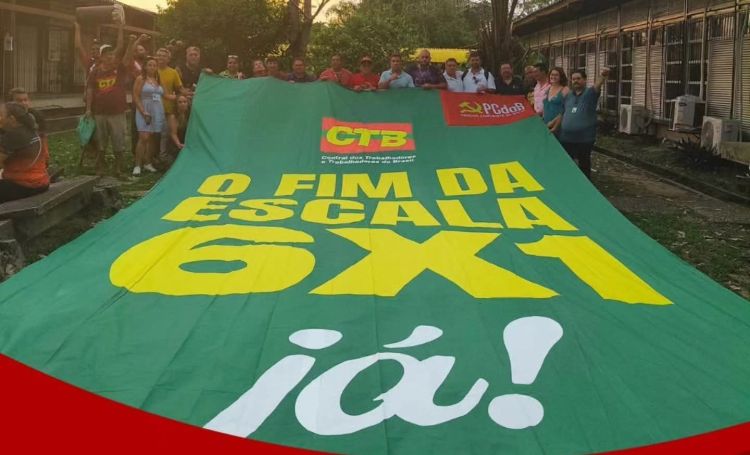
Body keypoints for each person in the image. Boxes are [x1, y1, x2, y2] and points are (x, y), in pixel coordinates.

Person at [85, 31, 139, 177]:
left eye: (111, 54)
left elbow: (127, 58)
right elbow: (90, 90)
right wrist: (88, 109)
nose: (110, 56)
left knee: (118, 140)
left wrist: (130, 43)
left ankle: (118, 168)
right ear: (101, 57)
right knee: (101, 141)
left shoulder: (119, 69)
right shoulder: (95, 72)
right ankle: (100, 167)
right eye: (106, 54)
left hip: (117, 112)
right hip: (99, 112)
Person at [559, 68, 610, 179]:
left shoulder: (590, 94)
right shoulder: (568, 96)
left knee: (584, 164)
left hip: (584, 138)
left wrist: (603, 75)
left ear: (585, 80)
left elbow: (597, 85)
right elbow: (563, 113)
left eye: (578, 78)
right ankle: (568, 183)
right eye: (573, 79)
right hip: (566, 137)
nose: (575, 81)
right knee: (566, 164)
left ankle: (586, 185)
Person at [0, 103, 49, 203]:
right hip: (40, 181)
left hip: (25, 185)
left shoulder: (15, 135)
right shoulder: (28, 129)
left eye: (1, 115)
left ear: (12, 119)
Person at [132, 56, 164, 177]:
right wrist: (143, 111)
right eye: (150, 65)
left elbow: (164, 94)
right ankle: (137, 165)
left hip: (157, 109)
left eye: (154, 65)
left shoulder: (157, 79)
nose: (152, 67)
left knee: (152, 137)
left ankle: (148, 162)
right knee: (143, 136)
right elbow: (135, 96)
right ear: (145, 66)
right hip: (144, 108)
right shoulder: (141, 78)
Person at [156, 47, 185, 164]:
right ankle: (151, 158)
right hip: (153, 108)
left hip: (168, 108)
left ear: (168, 59)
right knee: (152, 135)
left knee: (165, 134)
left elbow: (180, 89)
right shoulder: (152, 70)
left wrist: (190, 94)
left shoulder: (173, 72)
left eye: (164, 56)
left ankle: (163, 156)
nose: (161, 58)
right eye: (159, 55)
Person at [543, 67, 569, 137]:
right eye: (552, 74)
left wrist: (553, 122)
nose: (553, 77)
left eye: (556, 75)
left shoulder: (565, 89)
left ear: (561, 77)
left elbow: (566, 110)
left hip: (558, 125)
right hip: (546, 125)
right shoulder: (548, 89)